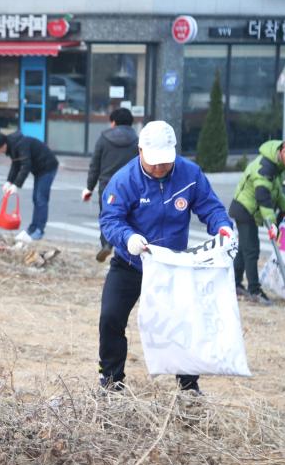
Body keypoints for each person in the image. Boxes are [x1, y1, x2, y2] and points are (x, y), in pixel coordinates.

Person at [97, 120, 234, 395]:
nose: (159, 168)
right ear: (140, 151)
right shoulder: (124, 180)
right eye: (153, 162)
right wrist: (128, 238)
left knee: (183, 323)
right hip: (131, 263)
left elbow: (210, 206)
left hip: (173, 264)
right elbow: (110, 220)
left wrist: (223, 227)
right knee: (111, 317)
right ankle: (111, 382)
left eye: (165, 162)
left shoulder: (189, 174)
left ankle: (189, 386)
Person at [229, 138, 285, 306]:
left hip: (250, 209)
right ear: (284, 152)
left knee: (244, 249)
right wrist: (271, 225)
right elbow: (263, 198)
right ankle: (254, 291)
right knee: (252, 250)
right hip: (244, 209)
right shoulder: (266, 167)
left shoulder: (279, 166)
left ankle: (234, 283)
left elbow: (277, 192)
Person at [83, 108, 139, 263]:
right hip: (131, 186)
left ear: (113, 122)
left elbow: (95, 165)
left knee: (108, 216)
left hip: (107, 186)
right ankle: (127, 250)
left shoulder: (104, 138)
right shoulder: (137, 141)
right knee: (130, 218)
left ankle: (107, 244)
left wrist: (89, 187)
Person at [0, 131, 59, 242]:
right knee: (36, 199)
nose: (0, 152)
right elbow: (16, 165)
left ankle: (39, 230)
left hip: (47, 167)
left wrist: (16, 185)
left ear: (4, 145)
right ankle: (33, 227)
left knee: (41, 199)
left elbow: (26, 166)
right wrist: (9, 182)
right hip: (39, 170)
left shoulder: (21, 145)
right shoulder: (12, 146)